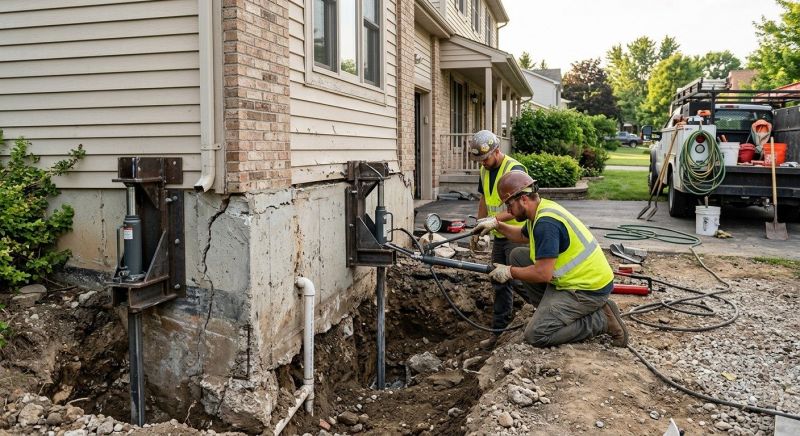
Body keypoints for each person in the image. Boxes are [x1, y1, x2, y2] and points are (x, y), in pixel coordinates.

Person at [473, 171, 629, 348]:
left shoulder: (546, 224)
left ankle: (601, 320)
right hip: (577, 281)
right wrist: (496, 225)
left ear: (523, 198)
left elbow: (543, 273)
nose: (507, 211)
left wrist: (508, 272)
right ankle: (551, 313)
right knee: (517, 255)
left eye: (509, 204)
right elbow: (521, 235)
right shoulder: (539, 210)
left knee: (536, 334)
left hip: (587, 289)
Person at [468, 130, 527, 349]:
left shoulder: (513, 170)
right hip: (500, 235)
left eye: (485, 159)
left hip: (516, 233)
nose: (482, 164)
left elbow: (520, 208)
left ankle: (543, 312)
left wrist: (493, 221)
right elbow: (484, 198)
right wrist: (478, 226)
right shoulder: (485, 171)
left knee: (519, 280)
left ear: (497, 151)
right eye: (479, 161)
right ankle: (499, 333)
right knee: (498, 280)